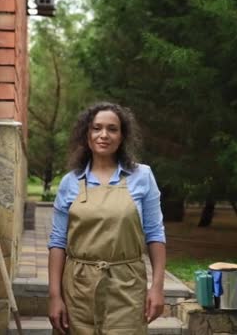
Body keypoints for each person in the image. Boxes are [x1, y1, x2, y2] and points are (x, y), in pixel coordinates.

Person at [47, 102, 167, 334]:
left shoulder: (142, 176)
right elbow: (58, 242)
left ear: (122, 136)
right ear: (86, 135)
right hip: (78, 289)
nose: (104, 135)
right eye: (96, 128)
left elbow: (155, 233)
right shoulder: (70, 182)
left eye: (112, 129)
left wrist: (157, 287)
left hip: (127, 287)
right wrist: (54, 296)